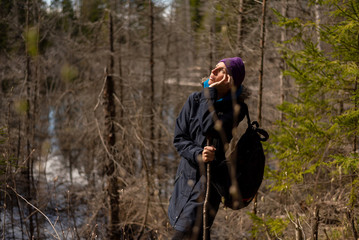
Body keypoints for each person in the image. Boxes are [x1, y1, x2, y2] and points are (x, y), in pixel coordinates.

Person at [168, 57, 248, 239]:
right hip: (185, 180)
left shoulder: (236, 109)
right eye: (215, 68)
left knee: (183, 234)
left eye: (221, 71)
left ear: (231, 80)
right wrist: (198, 154)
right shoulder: (194, 100)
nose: (213, 72)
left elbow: (209, 127)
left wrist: (210, 93)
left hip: (208, 185)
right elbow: (179, 138)